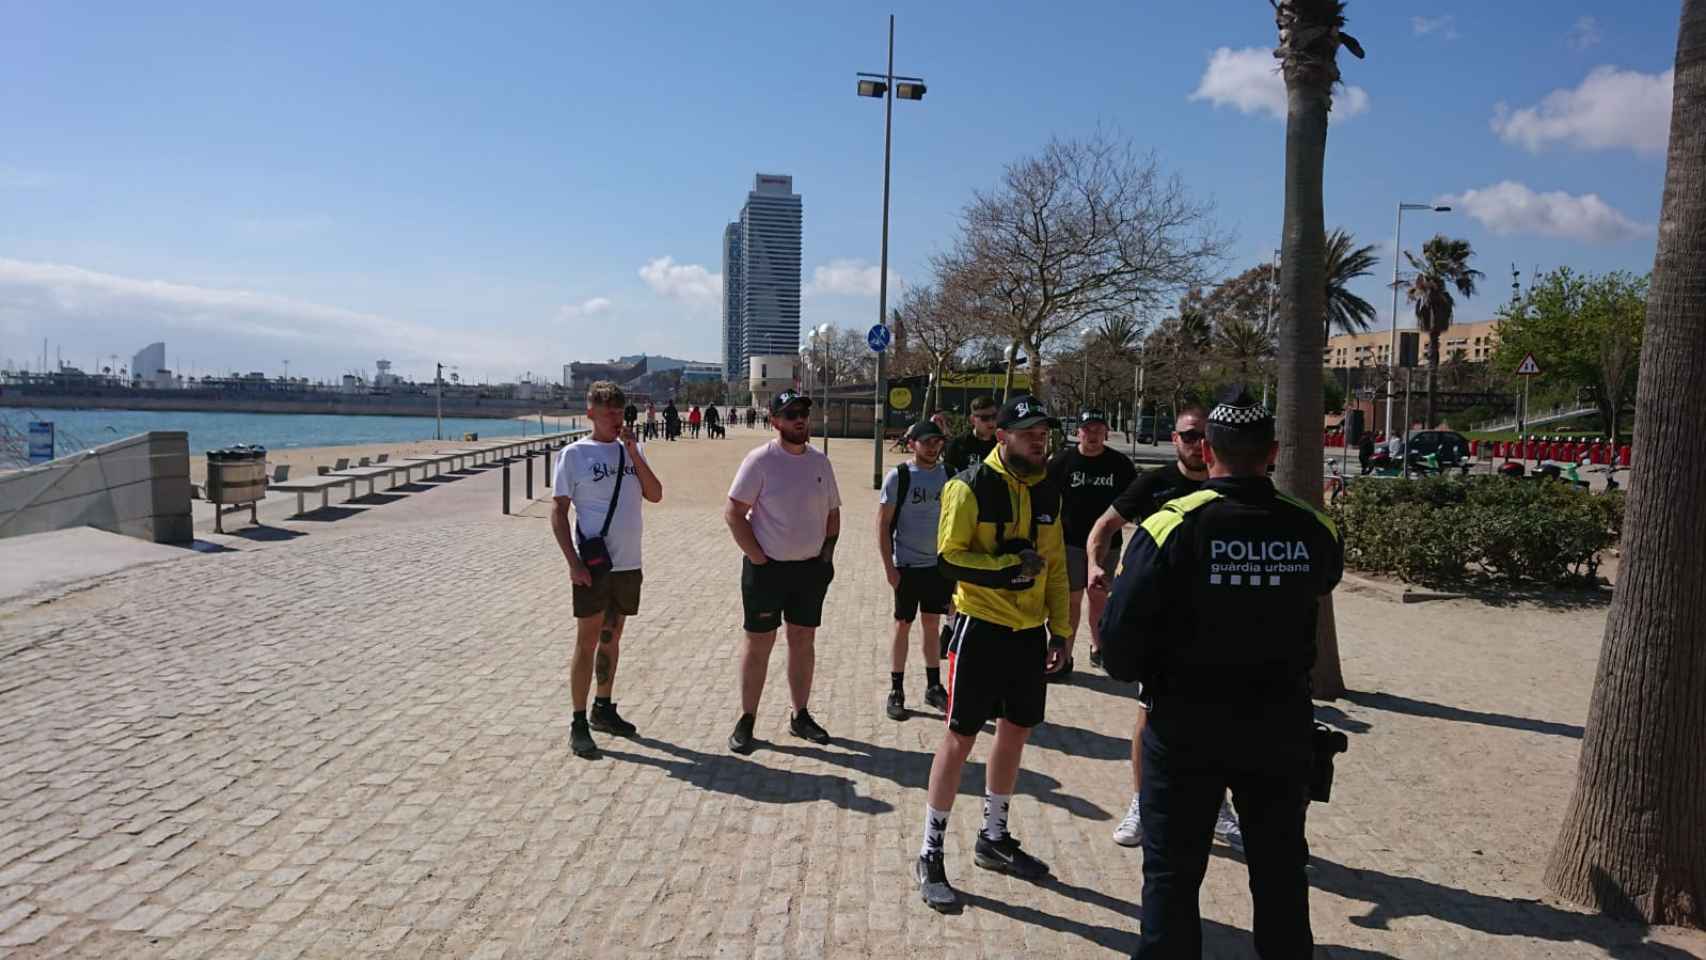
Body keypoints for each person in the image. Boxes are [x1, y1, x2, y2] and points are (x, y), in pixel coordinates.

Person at [1099, 385, 1343, 958]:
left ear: (1207, 452)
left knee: (1171, 876)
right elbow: (1324, 581)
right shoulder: (1312, 527)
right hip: (1279, 729)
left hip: (1185, 730)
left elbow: (1117, 648)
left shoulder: (1169, 526)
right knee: (1280, 870)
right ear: (1274, 451)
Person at [913, 394, 1070, 912]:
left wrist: (1061, 630)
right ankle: (930, 851)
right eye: (1029, 433)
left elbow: (1053, 562)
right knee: (959, 739)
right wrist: (1005, 568)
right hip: (979, 629)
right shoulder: (969, 486)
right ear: (1001, 436)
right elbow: (948, 558)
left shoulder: (1046, 487)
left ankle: (993, 838)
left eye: (1043, 434)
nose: (1039, 440)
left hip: (1028, 633)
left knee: (1016, 731)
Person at [1084, 405, 1215, 848]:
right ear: (1174, 439)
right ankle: (1142, 802)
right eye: (1189, 435)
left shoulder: (1229, 484)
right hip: (1161, 622)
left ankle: (1219, 808)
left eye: (1203, 435)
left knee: (1217, 719)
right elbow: (1104, 526)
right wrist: (1092, 566)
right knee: (1151, 712)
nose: (1197, 444)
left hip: (1216, 623)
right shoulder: (1155, 484)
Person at [549, 381, 665, 759]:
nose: (617, 418)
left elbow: (656, 493)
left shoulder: (631, 449)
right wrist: (572, 562)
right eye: (608, 413)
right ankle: (579, 720)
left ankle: (604, 706)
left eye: (620, 411)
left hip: (629, 563)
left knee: (612, 637)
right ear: (591, 415)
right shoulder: (574, 455)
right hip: (595, 565)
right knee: (586, 640)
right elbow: (558, 512)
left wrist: (633, 452)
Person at [725, 390, 842, 752]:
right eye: (790, 413)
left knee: (803, 642)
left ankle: (800, 714)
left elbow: (833, 512)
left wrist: (827, 554)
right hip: (766, 571)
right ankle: (747, 719)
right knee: (759, 643)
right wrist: (758, 558)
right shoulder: (760, 460)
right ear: (774, 420)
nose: (799, 418)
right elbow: (733, 512)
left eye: (804, 412)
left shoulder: (820, 462)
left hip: (809, 571)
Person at [1045, 408, 1138, 684]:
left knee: (1099, 599)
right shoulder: (1061, 463)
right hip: (1070, 543)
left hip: (1107, 545)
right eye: (1087, 430)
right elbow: (1045, 499)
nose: (1093, 435)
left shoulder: (1120, 464)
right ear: (1078, 432)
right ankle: (1065, 657)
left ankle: (1099, 649)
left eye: (1098, 429)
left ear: (1106, 432)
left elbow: (1133, 500)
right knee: (1071, 601)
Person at [877, 420, 952, 721]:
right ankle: (896, 689)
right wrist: (888, 567)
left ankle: (934, 686)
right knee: (903, 625)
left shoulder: (950, 475)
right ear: (912, 444)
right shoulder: (900, 477)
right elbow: (882, 524)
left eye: (937, 441)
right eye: (926, 441)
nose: (933, 446)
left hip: (937, 567)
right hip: (906, 566)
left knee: (932, 624)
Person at [944, 395, 999, 474]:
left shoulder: (1002, 444)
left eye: (994, 417)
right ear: (972, 420)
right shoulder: (958, 445)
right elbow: (948, 475)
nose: (991, 422)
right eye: (984, 418)